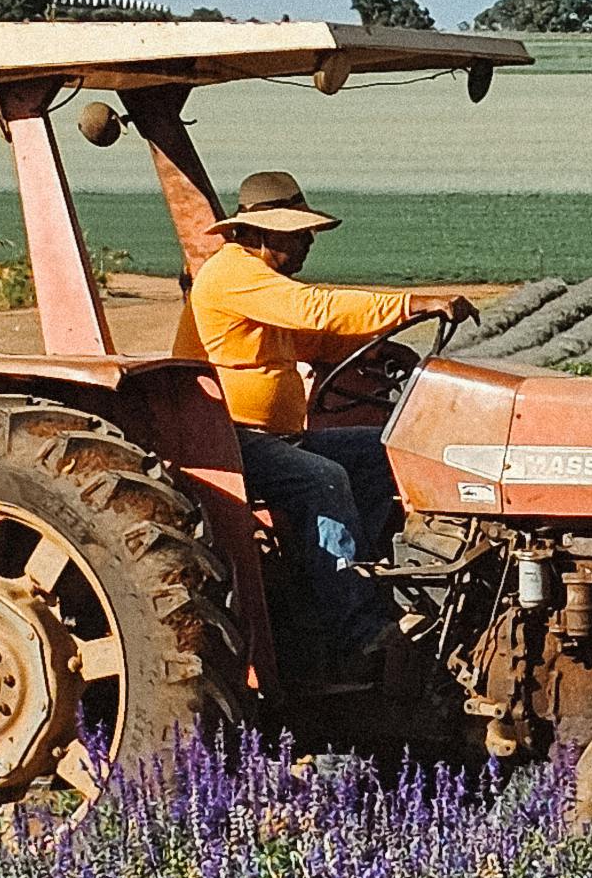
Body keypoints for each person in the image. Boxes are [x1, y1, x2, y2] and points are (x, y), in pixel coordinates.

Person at [187, 169, 465, 678]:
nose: (309, 240)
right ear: (257, 234)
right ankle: (359, 627)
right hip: (232, 439)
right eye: (297, 232)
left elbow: (306, 339)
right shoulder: (231, 273)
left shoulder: (260, 285)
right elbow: (315, 309)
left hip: (275, 435)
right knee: (323, 477)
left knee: (384, 449)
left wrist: (382, 346)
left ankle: (370, 576)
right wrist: (412, 302)